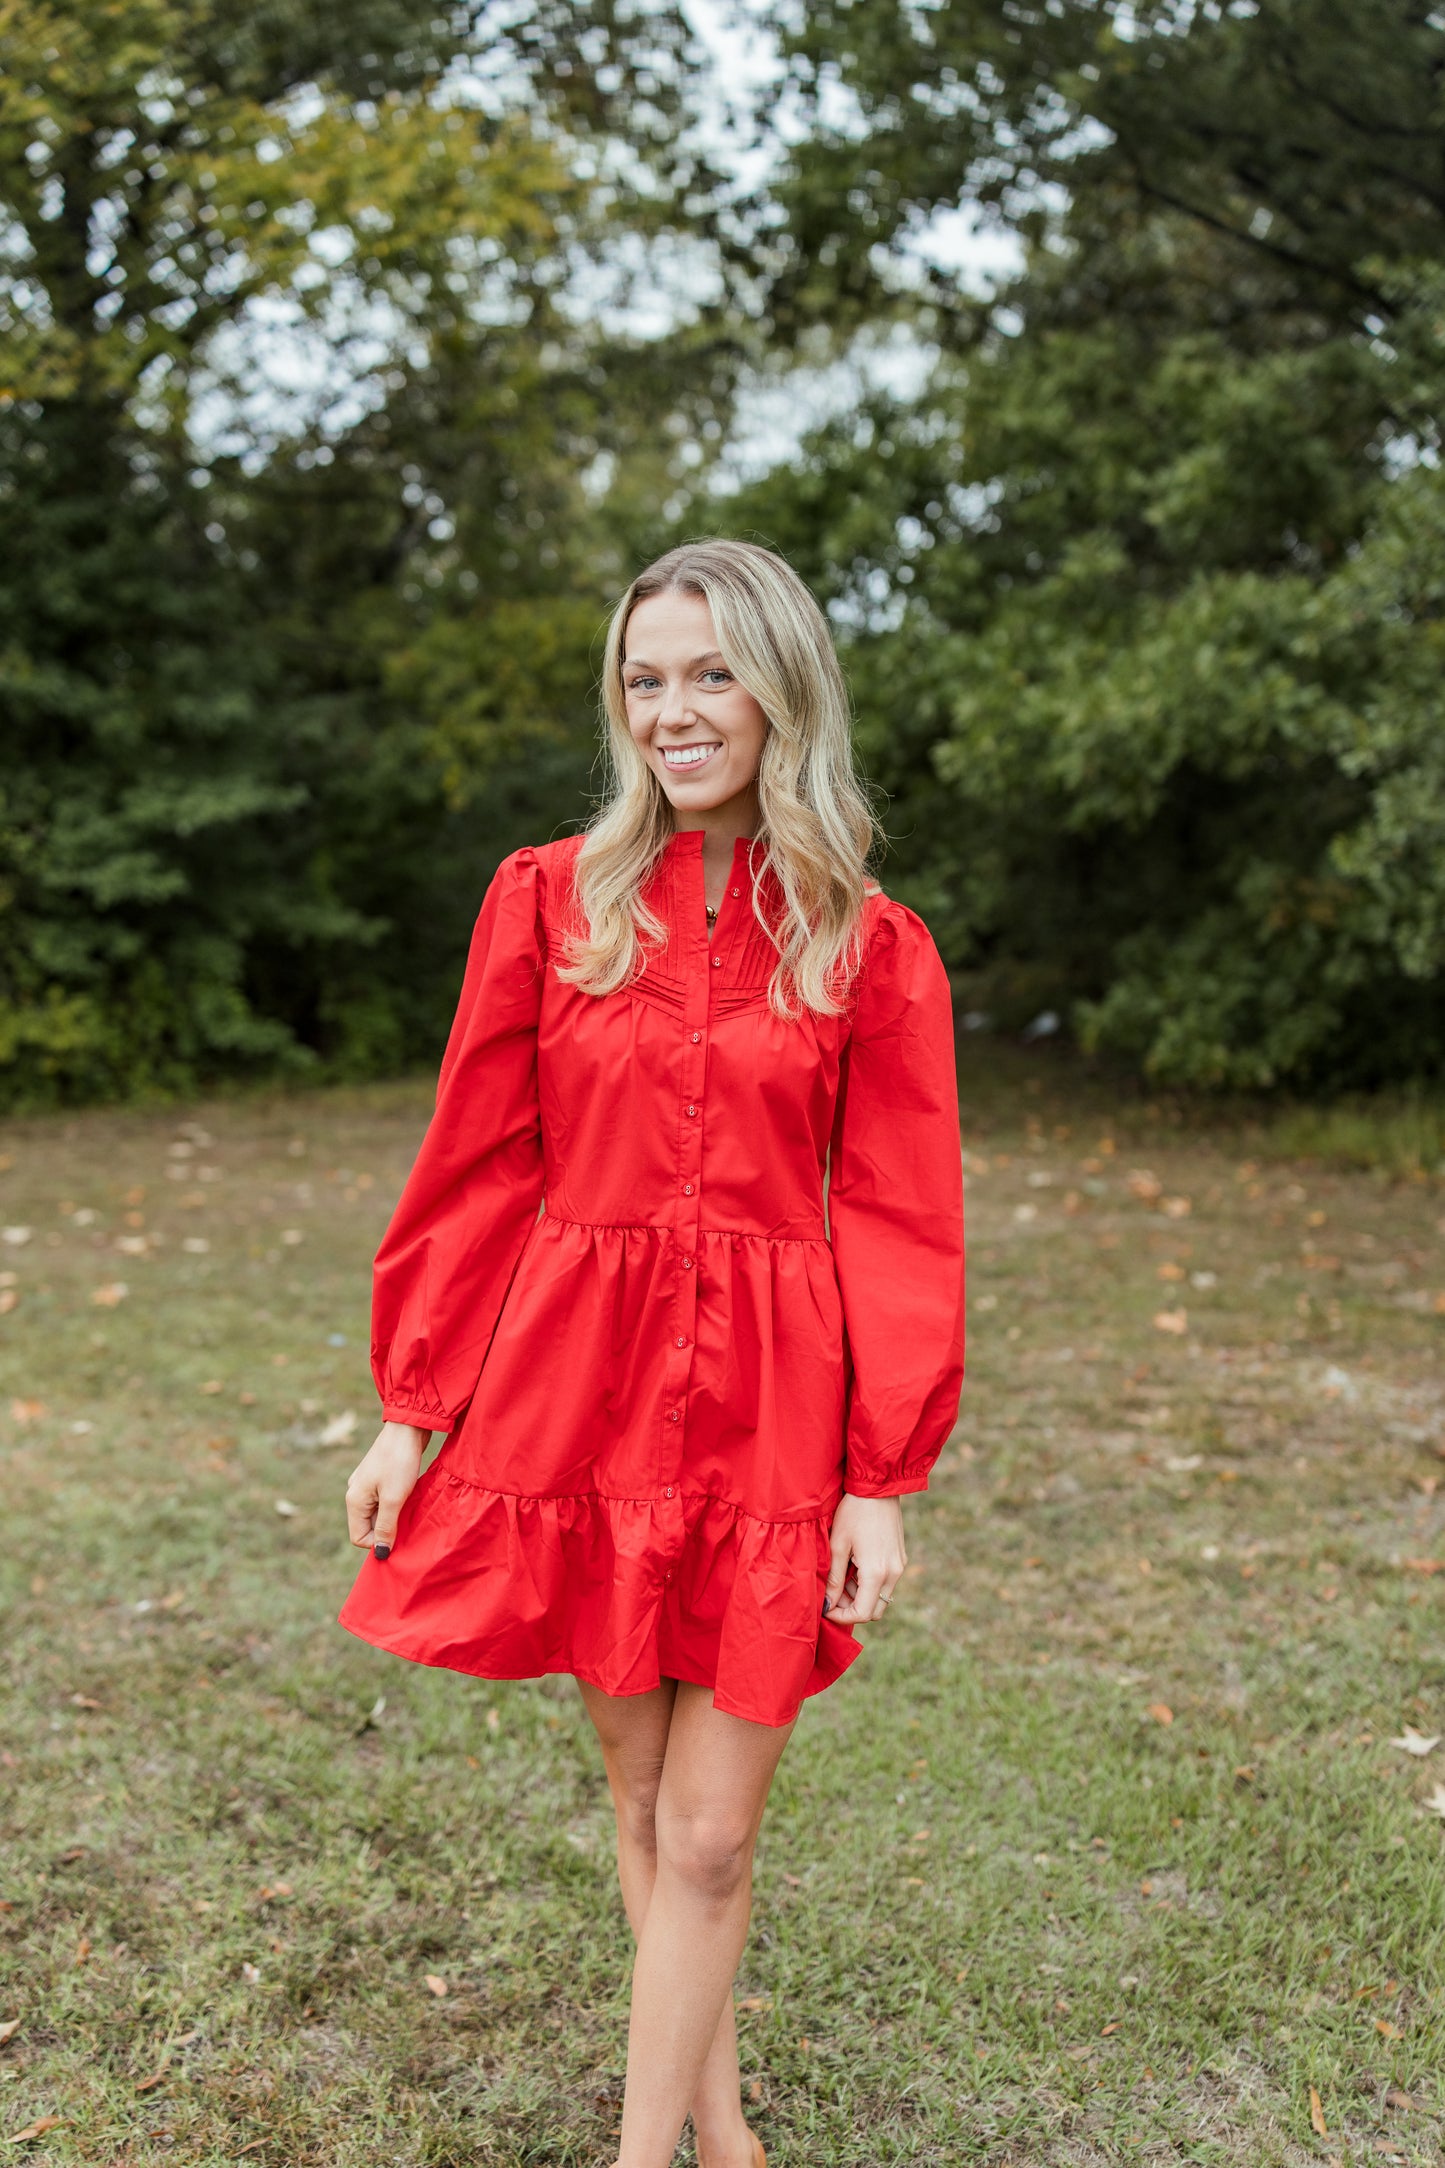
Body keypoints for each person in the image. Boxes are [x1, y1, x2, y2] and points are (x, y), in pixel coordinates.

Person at [338, 538, 965, 2168]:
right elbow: (480, 1162)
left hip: (771, 1409)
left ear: (778, 688)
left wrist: (879, 1478)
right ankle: (722, 2131)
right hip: (584, 1394)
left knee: (708, 1827)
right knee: (639, 1807)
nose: (674, 710)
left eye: (708, 673)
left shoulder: (866, 942)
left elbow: (899, 1215)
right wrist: (413, 1410)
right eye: (644, 678)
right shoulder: (547, 899)